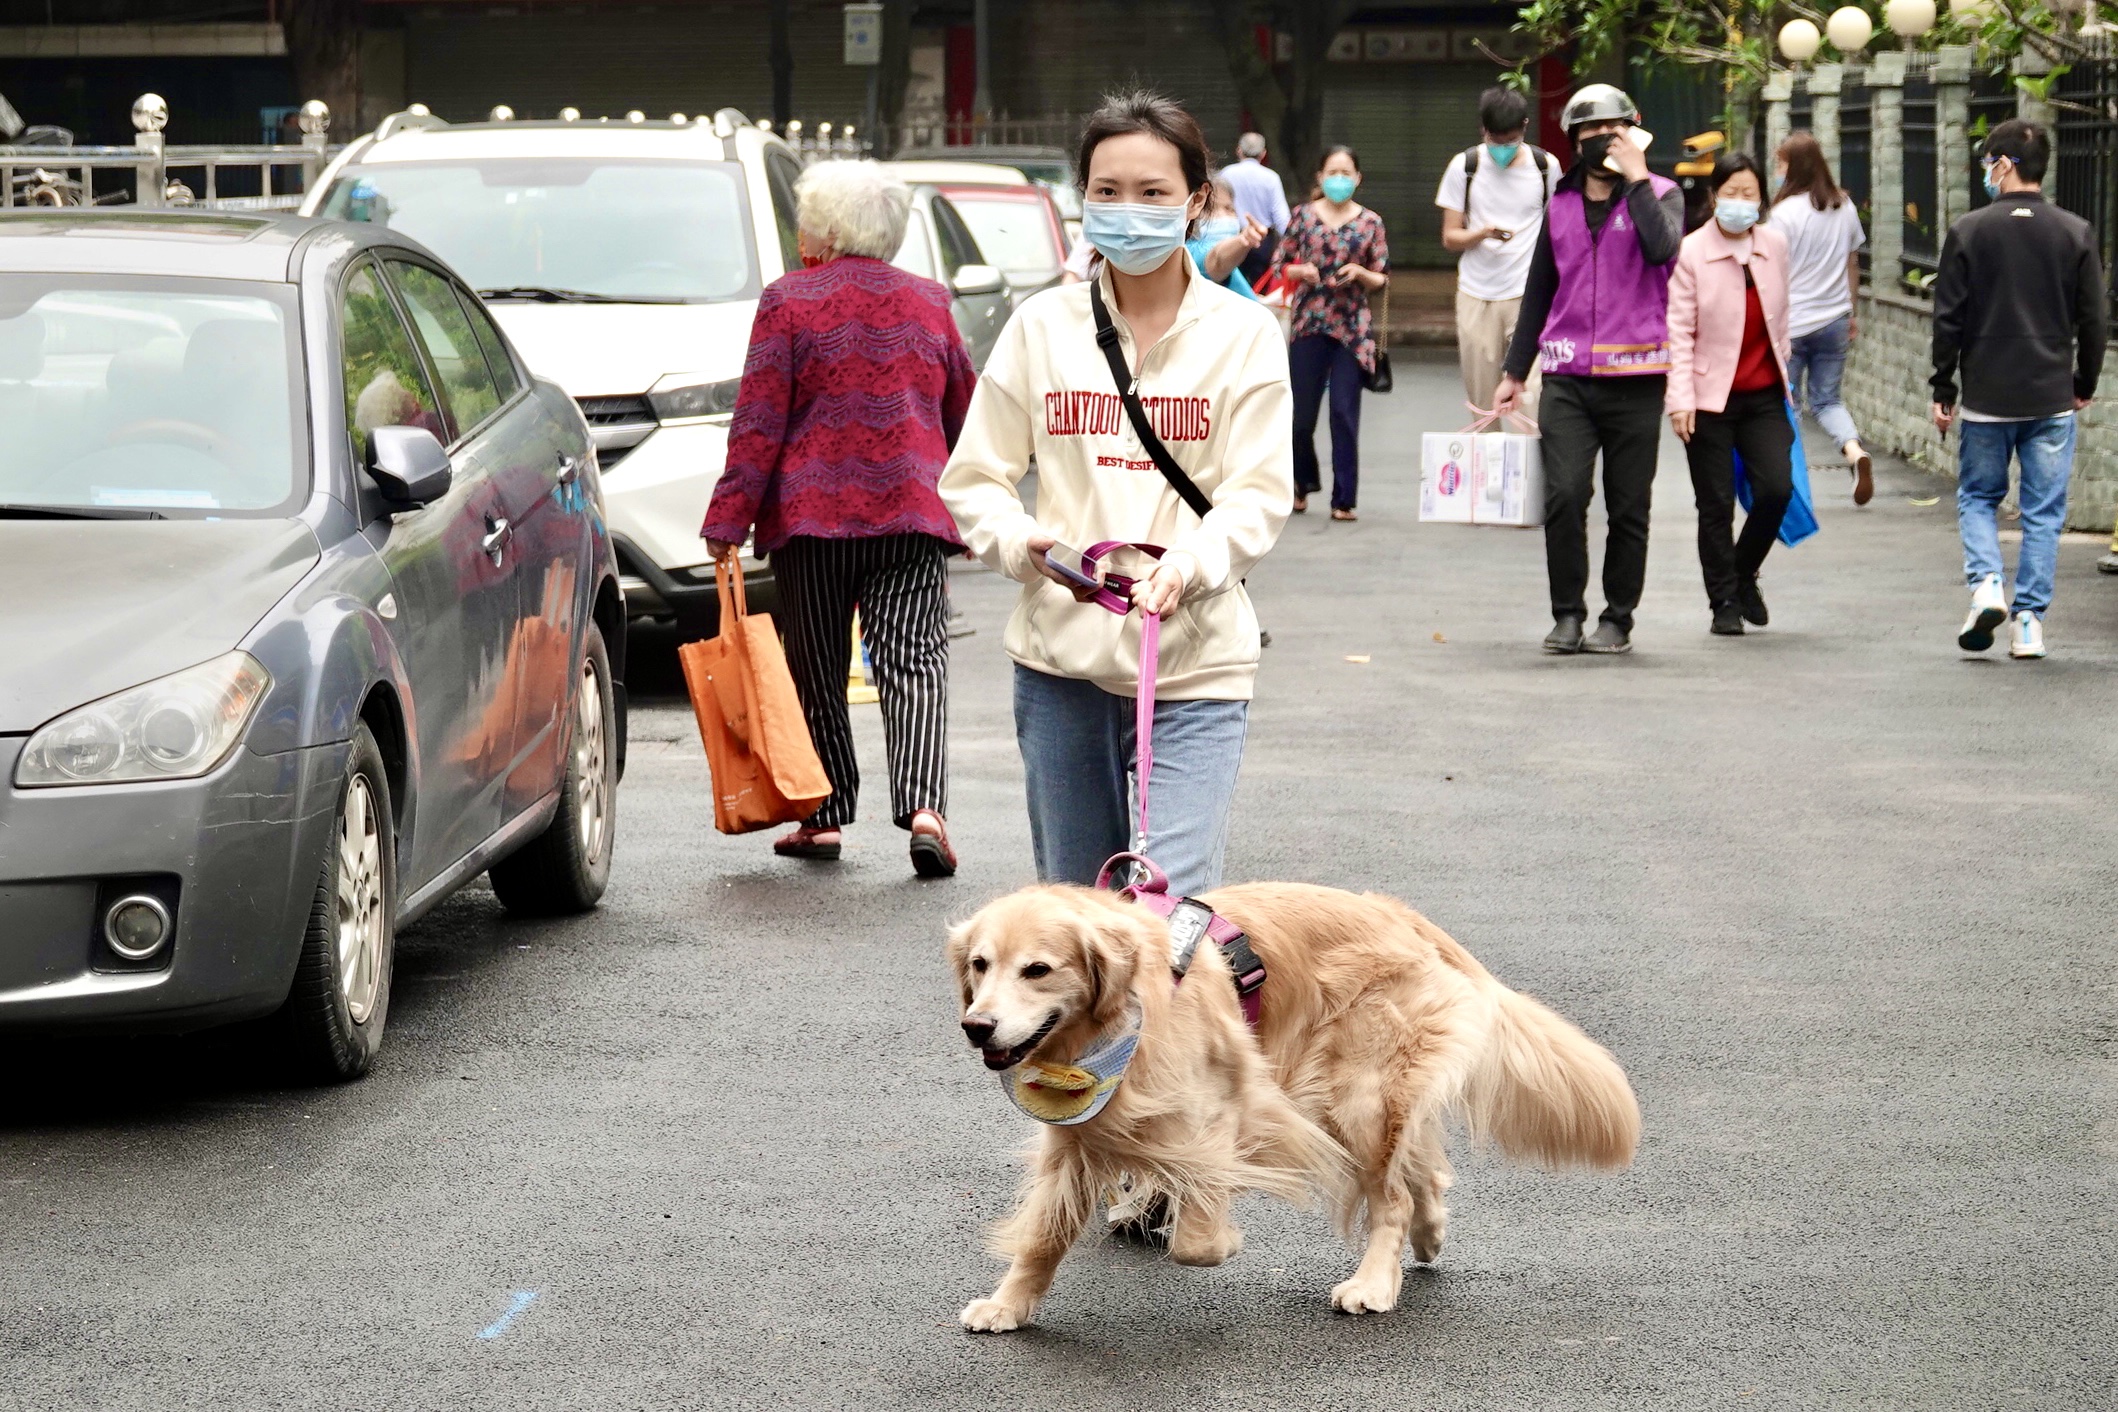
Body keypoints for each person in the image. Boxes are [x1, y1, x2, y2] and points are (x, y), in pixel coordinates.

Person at [940, 89, 1293, 897]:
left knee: (1164, 913)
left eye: (1153, 192)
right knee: (1078, 918)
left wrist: (1194, 564)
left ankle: (1163, 1029)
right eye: (1107, 191)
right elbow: (974, 478)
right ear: (1082, 199)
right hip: (1061, 660)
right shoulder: (1041, 326)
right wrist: (1020, 544)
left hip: (1197, 655)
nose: (1127, 210)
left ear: (1196, 200)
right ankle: (1105, 1036)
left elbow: (1261, 493)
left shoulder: (1244, 336)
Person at [701, 160, 975, 875]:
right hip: (912, 512)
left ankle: (821, 815)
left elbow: (759, 421)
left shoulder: (789, 301)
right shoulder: (930, 300)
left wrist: (728, 519)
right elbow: (963, 411)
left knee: (815, 667)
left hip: (812, 518)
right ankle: (924, 808)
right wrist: (975, 506)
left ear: (822, 228)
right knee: (914, 663)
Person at [1494, 83, 1683, 655]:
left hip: (1637, 381)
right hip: (1568, 379)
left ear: (1633, 132)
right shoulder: (1561, 206)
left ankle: (1617, 619)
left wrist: (1638, 177)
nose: (1600, 141)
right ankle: (1567, 614)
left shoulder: (1664, 194)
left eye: (1612, 130)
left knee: (1629, 507)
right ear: (1574, 141)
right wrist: (1513, 371)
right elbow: (1538, 293)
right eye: (1588, 133)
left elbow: (1660, 249)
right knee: (1565, 496)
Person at [1931, 119, 2105, 660]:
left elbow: (1948, 318)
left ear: (2003, 164)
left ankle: (1986, 585)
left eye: (1988, 161)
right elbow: (2094, 318)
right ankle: (2028, 622)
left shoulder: (1969, 231)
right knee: (2043, 511)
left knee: (1979, 496)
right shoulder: (2075, 232)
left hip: (1987, 395)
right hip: (2051, 394)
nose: (1986, 171)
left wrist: (1943, 384)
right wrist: (2084, 381)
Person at [1667, 154, 1795, 637]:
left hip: (1763, 394)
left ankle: (1743, 572)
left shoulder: (1775, 245)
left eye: (1750, 194)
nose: (1740, 203)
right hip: (1707, 399)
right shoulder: (1692, 251)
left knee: (1776, 489)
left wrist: (1786, 374)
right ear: (1713, 196)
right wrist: (1679, 399)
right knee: (1715, 504)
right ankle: (1722, 599)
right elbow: (1678, 330)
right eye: (1731, 193)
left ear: (1761, 199)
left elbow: (1782, 316)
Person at [1436, 85, 1561, 421]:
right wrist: (1481, 234)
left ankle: (1532, 471)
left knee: (1531, 400)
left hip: (1527, 293)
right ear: (1483, 131)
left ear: (1524, 126)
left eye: (1510, 139)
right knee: (1483, 402)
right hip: (1478, 292)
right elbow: (1450, 236)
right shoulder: (1466, 166)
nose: (1502, 148)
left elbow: (1558, 230)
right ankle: (1487, 471)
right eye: (1495, 139)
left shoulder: (1545, 166)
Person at [1280, 146, 1389, 520]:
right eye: (1332, 172)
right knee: (1299, 415)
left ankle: (1344, 498)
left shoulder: (1371, 222)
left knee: (1343, 413)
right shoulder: (1303, 217)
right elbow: (1282, 262)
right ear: (1320, 177)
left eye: (1346, 173)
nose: (1339, 180)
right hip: (1309, 323)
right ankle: (1299, 482)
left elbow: (1381, 276)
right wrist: (1301, 272)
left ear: (1358, 178)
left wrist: (1359, 273)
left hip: (1351, 329)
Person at [1771, 131, 1875, 505]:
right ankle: (1853, 450)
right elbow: (1853, 262)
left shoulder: (1783, 215)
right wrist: (1852, 311)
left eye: (1781, 163)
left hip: (1793, 323)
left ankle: (1789, 483)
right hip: (1834, 319)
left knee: (1789, 405)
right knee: (1828, 401)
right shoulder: (1843, 206)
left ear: (1794, 166)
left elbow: (1774, 274)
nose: (1777, 171)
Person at [1219, 131, 1291, 288]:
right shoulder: (1271, 177)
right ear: (1263, 153)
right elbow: (1281, 217)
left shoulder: (1225, 175)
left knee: (1230, 287)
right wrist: (1291, 244)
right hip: (1262, 241)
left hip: (1231, 238)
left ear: (1239, 150)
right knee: (1259, 290)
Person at [1187, 176, 1267, 298]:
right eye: (1210, 209)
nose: (1222, 215)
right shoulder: (1191, 252)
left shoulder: (1234, 260)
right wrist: (1242, 241)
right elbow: (1217, 259)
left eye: (1229, 208)